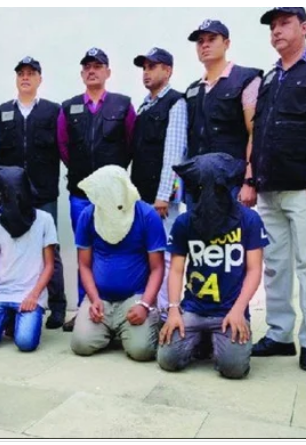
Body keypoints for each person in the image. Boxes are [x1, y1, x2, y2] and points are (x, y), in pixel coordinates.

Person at [250, 7, 306, 373]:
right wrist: (252, 178)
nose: (276, 31)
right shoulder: (270, 77)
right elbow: (260, 132)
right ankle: (280, 334)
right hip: (269, 187)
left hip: (305, 187)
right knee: (274, 266)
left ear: (304, 28)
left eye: (284, 23)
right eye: (272, 26)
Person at [158, 153, 268, 380]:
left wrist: (239, 310)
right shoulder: (184, 222)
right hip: (193, 309)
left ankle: (213, 341)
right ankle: (204, 340)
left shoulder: (249, 220)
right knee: (168, 359)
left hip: (230, 310)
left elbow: (254, 269)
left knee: (233, 368)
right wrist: (173, 310)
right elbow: (176, 270)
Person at [58, 48, 136, 332]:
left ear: (108, 72)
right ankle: (84, 309)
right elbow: (63, 146)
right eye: (87, 67)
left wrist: (112, 181)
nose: (92, 71)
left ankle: (118, 309)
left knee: (115, 250)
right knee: (85, 253)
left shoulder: (123, 105)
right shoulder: (68, 108)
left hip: (114, 200)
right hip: (81, 196)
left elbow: (131, 143)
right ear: (82, 74)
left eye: (98, 66)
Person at [0, 56, 66, 330]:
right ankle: (9, 305)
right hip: (12, 196)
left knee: (50, 250)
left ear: (39, 79)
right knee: (11, 250)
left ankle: (57, 306)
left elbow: (63, 147)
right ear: (16, 79)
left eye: (31, 73)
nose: (25, 77)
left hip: (44, 193)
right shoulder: (1, 113)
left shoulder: (53, 111)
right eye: (21, 73)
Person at [69, 166, 165, 362]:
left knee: (142, 351)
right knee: (81, 344)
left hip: (135, 297)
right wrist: (94, 298)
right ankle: (114, 329)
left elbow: (157, 268)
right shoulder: (88, 215)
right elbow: (84, 265)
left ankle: (137, 324)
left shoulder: (147, 215)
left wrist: (145, 304)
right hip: (100, 298)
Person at [130, 47, 188, 315]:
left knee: (164, 255)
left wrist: (164, 195)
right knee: (148, 253)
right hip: (142, 196)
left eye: (152, 67)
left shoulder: (176, 102)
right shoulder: (144, 105)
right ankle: (150, 307)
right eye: (144, 68)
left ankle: (166, 311)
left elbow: (175, 153)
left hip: (160, 200)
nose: (146, 72)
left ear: (168, 70)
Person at [0, 166, 56, 353]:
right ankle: (10, 318)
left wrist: (34, 295)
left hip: (30, 294)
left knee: (25, 342)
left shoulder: (45, 220)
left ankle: (16, 319)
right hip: (2, 293)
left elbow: (49, 265)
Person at [184, 19, 263, 207]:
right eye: (200, 41)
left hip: (231, 183)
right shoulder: (192, 90)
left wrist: (249, 180)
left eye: (212, 39)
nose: (205, 45)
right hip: (197, 185)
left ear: (226, 44)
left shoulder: (246, 79)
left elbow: (256, 133)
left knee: (232, 228)